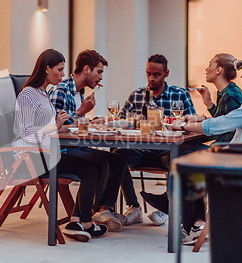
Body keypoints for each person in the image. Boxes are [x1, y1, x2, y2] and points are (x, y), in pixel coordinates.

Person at [172, 52, 242, 242]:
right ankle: (196, 223)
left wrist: (183, 126)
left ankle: (193, 225)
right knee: (188, 158)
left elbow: (222, 124)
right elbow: (226, 119)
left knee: (184, 166)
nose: (241, 75)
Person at [13, 49, 108, 242]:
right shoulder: (27, 95)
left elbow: (52, 130)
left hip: (47, 153)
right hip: (33, 158)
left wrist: (67, 126)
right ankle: (84, 223)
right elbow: (25, 134)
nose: (63, 74)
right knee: (90, 167)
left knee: (95, 165)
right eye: (60, 69)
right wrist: (55, 126)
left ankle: (79, 222)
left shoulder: (43, 93)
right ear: (47, 69)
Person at [49, 50, 138, 230]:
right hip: (62, 151)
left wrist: (89, 122)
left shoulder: (79, 92)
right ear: (87, 69)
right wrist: (81, 113)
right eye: (99, 72)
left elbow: (73, 123)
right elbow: (54, 126)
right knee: (100, 162)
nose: (101, 78)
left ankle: (103, 209)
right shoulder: (61, 90)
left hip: (77, 147)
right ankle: (86, 216)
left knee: (118, 159)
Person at [114, 54, 196, 226]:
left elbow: (191, 122)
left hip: (165, 151)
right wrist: (134, 122)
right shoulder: (137, 95)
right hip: (141, 151)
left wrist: (177, 124)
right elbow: (121, 121)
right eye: (148, 74)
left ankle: (166, 207)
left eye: (157, 74)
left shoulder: (179, 94)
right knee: (116, 156)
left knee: (178, 159)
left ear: (166, 73)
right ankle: (134, 207)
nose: (152, 78)